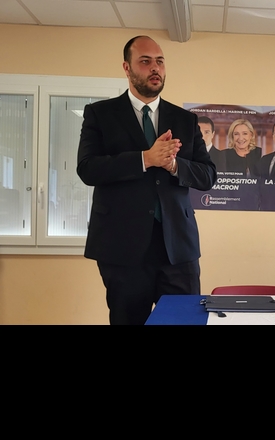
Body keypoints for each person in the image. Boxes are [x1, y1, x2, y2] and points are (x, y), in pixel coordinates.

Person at [77, 35, 217, 325]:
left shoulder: (186, 119)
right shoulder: (100, 114)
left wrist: (174, 164)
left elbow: (208, 176)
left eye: (160, 61)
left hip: (178, 248)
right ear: (127, 68)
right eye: (145, 61)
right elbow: (88, 169)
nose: (155, 68)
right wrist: (145, 159)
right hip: (122, 248)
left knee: (183, 322)